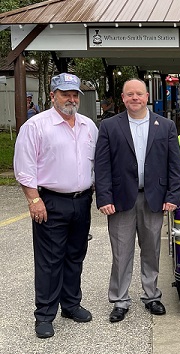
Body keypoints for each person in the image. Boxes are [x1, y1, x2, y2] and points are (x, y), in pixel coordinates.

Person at [13, 73, 98, 338]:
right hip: (50, 202)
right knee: (50, 261)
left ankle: (71, 305)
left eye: (75, 95)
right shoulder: (36, 126)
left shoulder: (88, 126)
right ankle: (44, 315)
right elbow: (24, 168)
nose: (71, 99)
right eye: (65, 94)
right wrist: (34, 200)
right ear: (53, 96)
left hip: (83, 201)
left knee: (75, 256)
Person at [94, 78, 180, 323]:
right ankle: (120, 300)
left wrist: (173, 195)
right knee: (121, 252)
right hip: (120, 200)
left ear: (147, 97)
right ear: (123, 98)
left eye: (139, 94)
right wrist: (104, 196)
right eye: (129, 94)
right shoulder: (109, 126)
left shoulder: (165, 126)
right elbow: (101, 166)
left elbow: (174, 165)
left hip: (154, 198)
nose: (134, 98)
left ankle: (152, 295)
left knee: (152, 250)